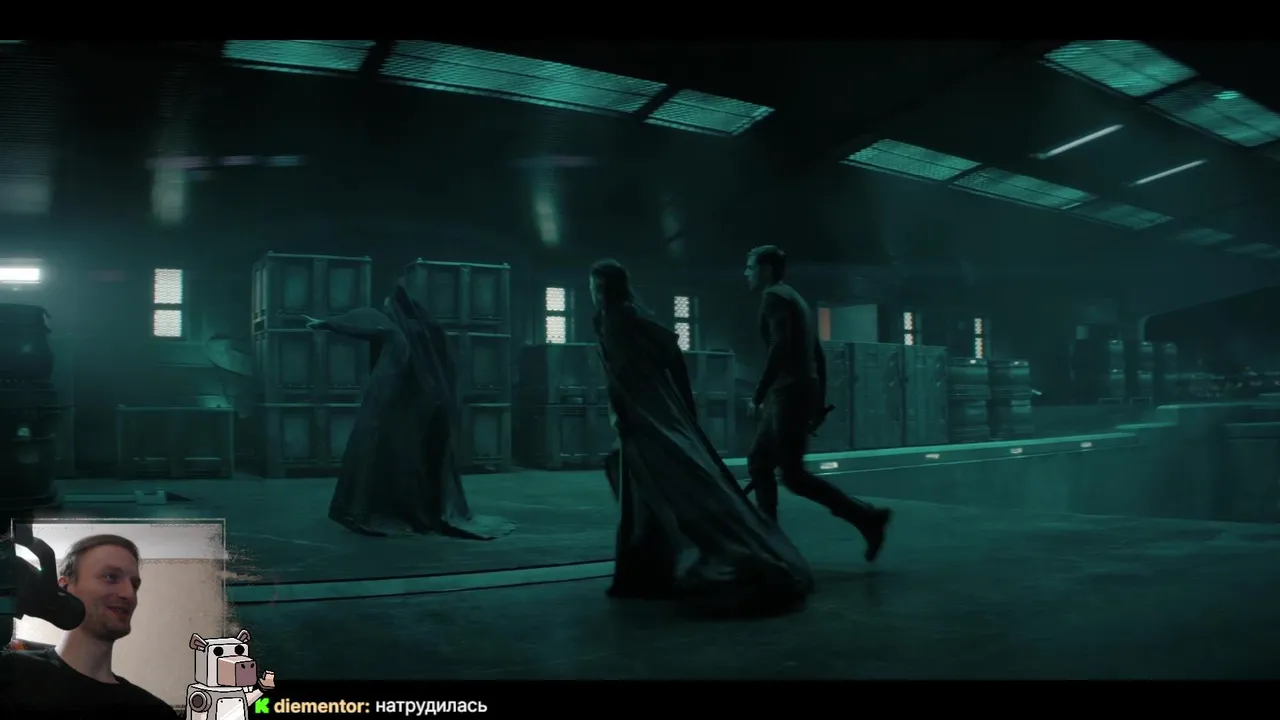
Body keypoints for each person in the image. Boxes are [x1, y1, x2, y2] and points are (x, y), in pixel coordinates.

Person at [590, 259, 813, 616]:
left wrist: (683, 405)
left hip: (649, 415)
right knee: (636, 485)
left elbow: (670, 350)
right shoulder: (606, 319)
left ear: (613, 289)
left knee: (665, 484)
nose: (595, 293)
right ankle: (646, 569)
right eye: (594, 287)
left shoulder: (626, 316)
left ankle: (669, 564)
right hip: (634, 415)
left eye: (600, 287)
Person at [304, 280, 514, 540]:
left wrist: (326, 324)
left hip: (391, 406)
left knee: (381, 455)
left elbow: (365, 323)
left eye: (387, 306)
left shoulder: (396, 332)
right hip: (416, 408)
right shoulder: (423, 332)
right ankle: (412, 509)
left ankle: (388, 510)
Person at [743, 245, 892, 562]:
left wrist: (759, 392)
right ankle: (771, 540)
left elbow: (779, 346)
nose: (746, 273)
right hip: (797, 391)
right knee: (762, 463)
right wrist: (818, 400)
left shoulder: (774, 298)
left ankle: (864, 518)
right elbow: (818, 354)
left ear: (766, 269)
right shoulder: (795, 299)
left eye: (750, 266)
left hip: (787, 393)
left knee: (792, 475)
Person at [0, 534, 178, 717]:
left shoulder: (155, 712)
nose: (129, 594)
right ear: (65, 587)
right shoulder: (9, 674)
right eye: (110, 577)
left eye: (134, 585)